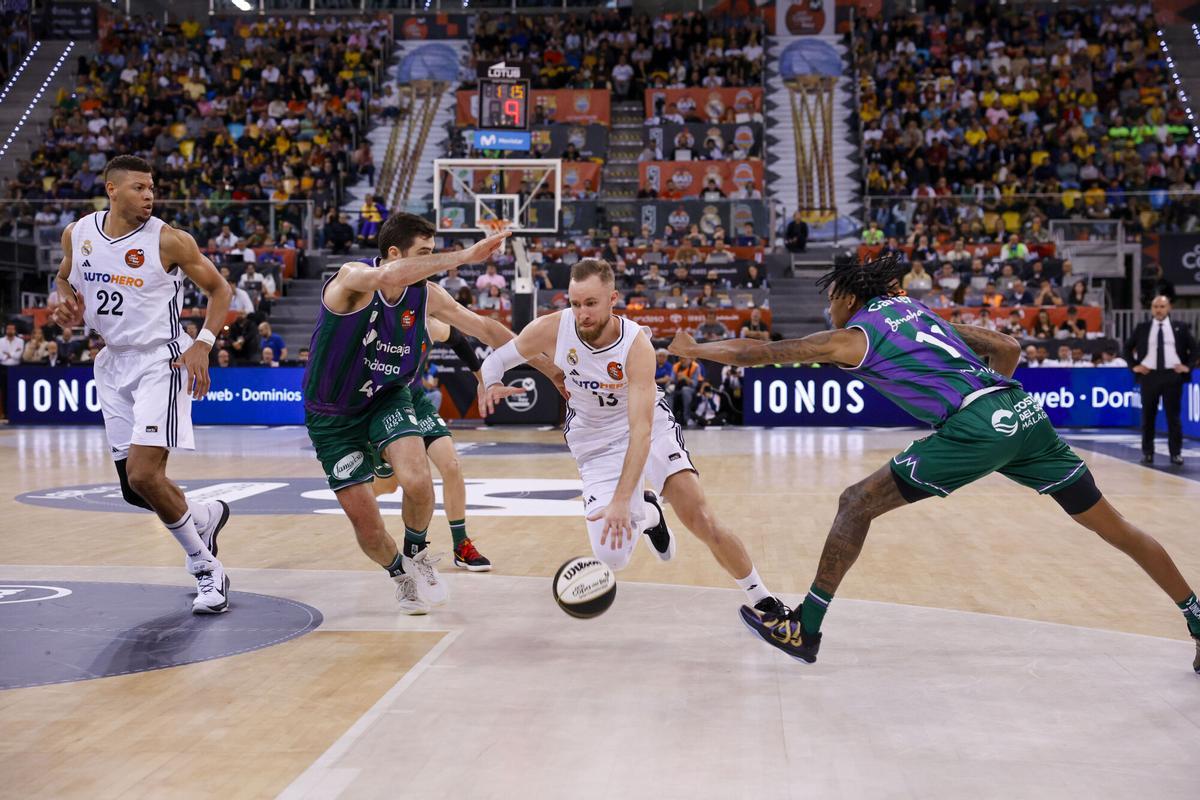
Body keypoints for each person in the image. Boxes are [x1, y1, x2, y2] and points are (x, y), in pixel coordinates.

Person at [671, 254, 1200, 672]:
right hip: (1022, 412)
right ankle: (1195, 618)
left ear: (851, 297)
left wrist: (696, 350)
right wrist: (994, 415)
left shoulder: (851, 336)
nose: (827, 309)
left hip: (976, 425)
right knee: (1117, 528)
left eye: (832, 298)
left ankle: (805, 629)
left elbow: (761, 353)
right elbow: (1006, 345)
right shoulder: (915, 310)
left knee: (854, 504)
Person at [478, 258, 789, 620]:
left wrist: (624, 501)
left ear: (613, 299)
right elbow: (496, 360)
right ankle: (651, 515)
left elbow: (640, 433)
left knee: (698, 515)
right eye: (576, 304)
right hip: (592, 437)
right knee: (613, 555)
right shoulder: (552, 328)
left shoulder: (635, 344)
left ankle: (763, 598)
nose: (582, 314)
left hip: (646, 427)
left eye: (591, 304)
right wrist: (493, 381)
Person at [302, 214, 543, 614]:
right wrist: (463, 256)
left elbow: (482, 328)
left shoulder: (427, 297)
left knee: (419, 481)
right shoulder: (352, 278)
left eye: (434, 253)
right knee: (368, 526)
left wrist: (552, 369)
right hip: (332, 415)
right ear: (394, 255)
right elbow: (383, 277)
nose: (432, 263)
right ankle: (399, 574)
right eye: (424, 254)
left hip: (387, 397)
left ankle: (416, 553)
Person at [51, 155, 235, 614]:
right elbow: (64, 276)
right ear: (112, 190)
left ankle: (206, 567)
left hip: (162, 360)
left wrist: (204, 343)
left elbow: (220, 290)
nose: (149, 195)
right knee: (135, 490)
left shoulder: (169, 240)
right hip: (112, 361)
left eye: (152, 187)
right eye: (138, 188)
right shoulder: (79, 233)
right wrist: (67, 304)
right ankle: (205, 516)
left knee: (143, 474)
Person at [1124, 295, 1196, 466]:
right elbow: (1127, 347)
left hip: (1172, 376)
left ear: (1169, 308)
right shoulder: (1143, 328)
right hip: (1150, 376)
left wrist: (1188, 366)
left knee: (1174, 418)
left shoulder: (1180, 327)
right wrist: (1135, 366)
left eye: (1162, 306)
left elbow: (1194, 348)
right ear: (1151, 309)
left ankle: (1176, 453)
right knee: (1148, 417)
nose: (1158, 309)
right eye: (1155, 306)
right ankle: (1148, 453)